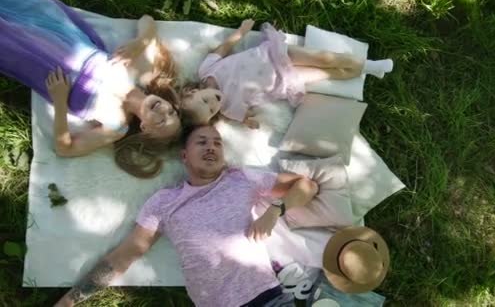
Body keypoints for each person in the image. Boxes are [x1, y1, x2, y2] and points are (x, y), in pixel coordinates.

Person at [54, 124, 320, 307]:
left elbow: (307, 185)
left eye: (217, 143)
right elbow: (125, 255)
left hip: (266, 297)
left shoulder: (242, 178)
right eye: (201, 142)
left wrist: (275, 209)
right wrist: (71, 299)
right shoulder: (164, 203)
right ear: (184, 156)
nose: (211, 147)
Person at [0, 0, 181, 177]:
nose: (164, 111)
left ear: (145, 128)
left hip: (43, 62)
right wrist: (140, 43)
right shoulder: (145, 75)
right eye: (172, 112)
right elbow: (147, 20)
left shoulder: (116, 127)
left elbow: (64, 149)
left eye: (161, 122)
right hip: (65, 34)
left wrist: (60, 102)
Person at [179, 19, 394, 128]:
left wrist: (242, 31)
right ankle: (367, 71)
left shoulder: (206, 69)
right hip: (284, 82)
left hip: (274, 55)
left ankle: (370, 65)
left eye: (205, 100)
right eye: (210, 110)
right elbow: (246, 117)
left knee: (324, 58)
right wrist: (249, 122)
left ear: (192, 91)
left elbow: (224, 48)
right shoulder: (228, 110)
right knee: (325, 74)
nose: (214, 103)